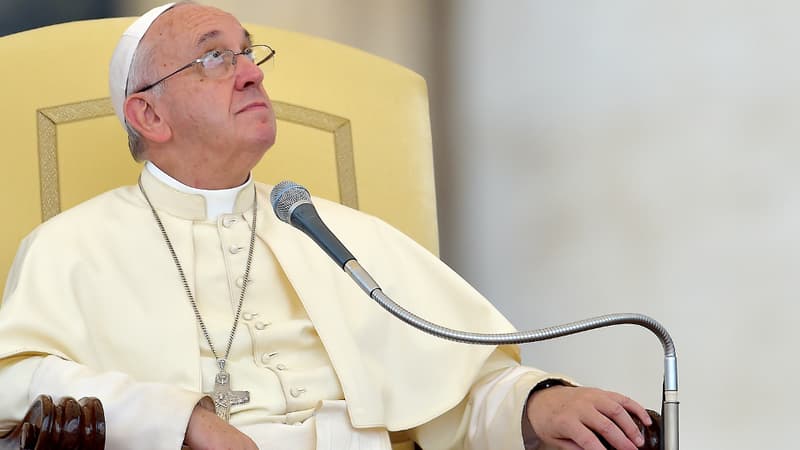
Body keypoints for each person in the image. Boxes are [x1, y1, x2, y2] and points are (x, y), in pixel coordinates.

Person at [0, 2, 652, 449]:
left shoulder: (334, 234)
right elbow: (16, 384)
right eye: (215, 59)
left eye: (249, 54)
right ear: (149, 117)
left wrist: (539, 404)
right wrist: (179, 420)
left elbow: (457, 387)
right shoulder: (73, 247)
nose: (252, 71)